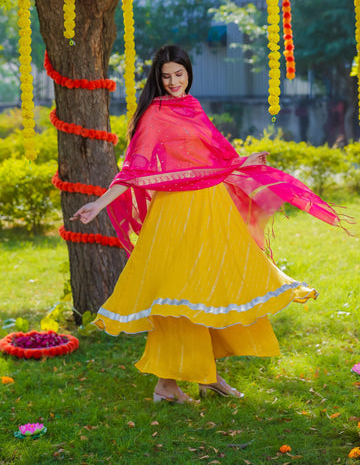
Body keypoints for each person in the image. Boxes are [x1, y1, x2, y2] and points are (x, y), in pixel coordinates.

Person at [72, 44, 341, 404]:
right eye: (165, 77)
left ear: (188, 72)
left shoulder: (193, 106)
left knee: (216, 286)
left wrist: (243, 161)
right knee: (183, 293)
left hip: (212, 207)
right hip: (177, 213)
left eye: (178, 74)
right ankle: (167, 386)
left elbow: (214, 155)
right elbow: (134, 168)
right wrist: (100, 203)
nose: (173, 82)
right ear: (158, 78)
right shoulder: (154, 115)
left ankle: (208, 375)